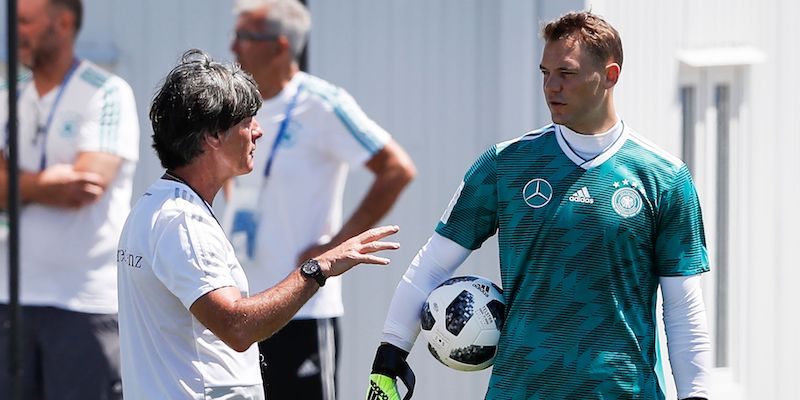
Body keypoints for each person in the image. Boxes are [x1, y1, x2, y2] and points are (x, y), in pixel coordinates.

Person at [366, 11, 711, 400]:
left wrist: (696, 394)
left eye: (566, 73)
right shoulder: (505, 164)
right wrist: (389, 354)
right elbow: (432, 263)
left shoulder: (665, 178)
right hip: (520, 390)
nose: (551, 86)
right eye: (544, 72)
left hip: (624, 391)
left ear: (610, 76)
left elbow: (682, 307)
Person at [116, 48, 400, 400]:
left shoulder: (158, 207)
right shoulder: (182, 221)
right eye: (247, 121)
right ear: (213, 136)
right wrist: (318, 268)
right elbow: (236, 326)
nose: (258, 131)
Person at [230, 1, 417, 398]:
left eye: (245, 37)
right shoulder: (234, 105)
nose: (233, 47)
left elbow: (397, 169)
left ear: (280, 46)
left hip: (302, 306)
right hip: (241, 303)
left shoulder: (321, 103)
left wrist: (337, 246)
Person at [0, 0, 139, 398]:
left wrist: (12, 183)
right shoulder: (8, 95)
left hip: (85, 304)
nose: (15, 32)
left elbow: (85, 186)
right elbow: (61, 186)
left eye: (25, 21)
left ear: (63, 23)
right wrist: (47, 184)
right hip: (12, 300)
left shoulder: (106, 92)